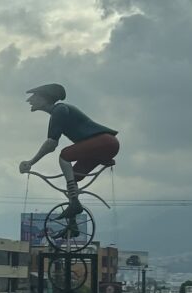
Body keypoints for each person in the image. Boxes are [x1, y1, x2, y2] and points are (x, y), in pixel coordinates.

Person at [19, 83, 119, 220]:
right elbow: (51, 142)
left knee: (65, 155)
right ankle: (73, 221)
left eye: (34, 96)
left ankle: (75, 204)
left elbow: (51, 144)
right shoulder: (57, 112)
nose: (29, 100)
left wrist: (31, 162)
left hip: (105, 142)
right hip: (104, 145)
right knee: (74, 178)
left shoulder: (59, 110)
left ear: (44, 98)